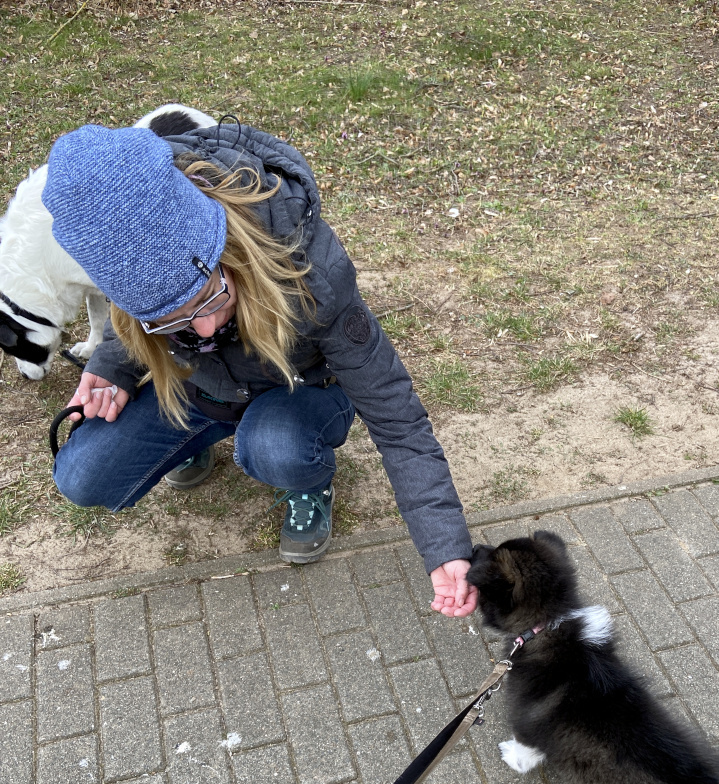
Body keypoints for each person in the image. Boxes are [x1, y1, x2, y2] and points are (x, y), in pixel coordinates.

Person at [43, 121, 477, 617]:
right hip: (199, 388)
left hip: (299, 391)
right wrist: (114, 367)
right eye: (172, 319)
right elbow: (139, 313)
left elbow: (399, 422)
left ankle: (309, 482)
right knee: (82, 477)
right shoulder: (142, 293)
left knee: (273, 444)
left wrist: (444, 547)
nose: (203, 330)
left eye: (209, 295)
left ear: (221, 242)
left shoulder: (310, 268)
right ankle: (195, 441)